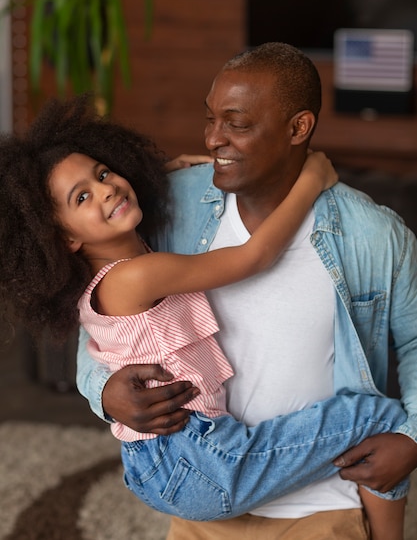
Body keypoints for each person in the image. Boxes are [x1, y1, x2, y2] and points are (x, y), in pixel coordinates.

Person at [0, 98, 408, 539]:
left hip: (177, 459)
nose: (106, 189)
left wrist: (177, 170)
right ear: (65, 239)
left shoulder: (124, 268)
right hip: (198, 457)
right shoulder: (135, 277)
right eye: (82, 197)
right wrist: (312, 179)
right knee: (376, 415)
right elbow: (254, 257)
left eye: (103, 173)